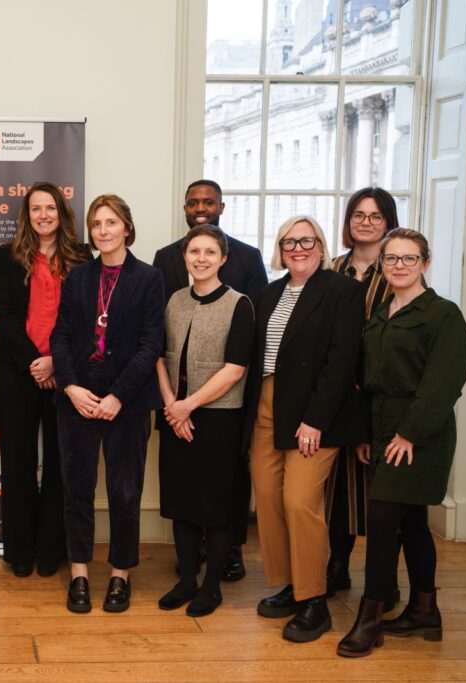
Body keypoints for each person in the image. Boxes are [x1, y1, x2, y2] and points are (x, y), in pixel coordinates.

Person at [337, 229, 466, 657]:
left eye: (408, 259)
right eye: (391, 259)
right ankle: (425, 609)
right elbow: (366, 381)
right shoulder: (379, 313)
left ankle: (370, 617)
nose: (398, 266)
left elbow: (444, 383)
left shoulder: (442, 315)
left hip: (419, 432)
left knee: (380, 520)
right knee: (411, 521)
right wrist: (365, 435)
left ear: (425, 264)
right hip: (380, 428)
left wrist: (410, 433)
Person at [245, 215, 364, 643]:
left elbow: (341, 359)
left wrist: (315, 420)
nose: (298, 248)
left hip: (314, 412)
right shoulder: (269, 292)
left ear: (320, 244)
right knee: (270, 499)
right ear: (279, 248)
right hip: (267, 405)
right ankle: (290, 586)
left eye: (306, 240)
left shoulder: (343, 292)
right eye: (289, 242)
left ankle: (315, 601)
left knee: (299, 501)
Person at [51, 194, 164, 614]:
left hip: (128, 400)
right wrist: (71, 388)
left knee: (124, 491)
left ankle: (120, 575)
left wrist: (119, 396)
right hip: (79, 394)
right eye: (96, 224)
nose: (103, 230)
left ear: (127, 228)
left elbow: (152, 343)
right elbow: (60, 337)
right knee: (77, 489)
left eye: (111, 222)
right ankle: (79, 573)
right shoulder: (79, 278)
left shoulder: (149, 278)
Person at [152, 179, 267, 582]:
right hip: (174, 402)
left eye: (208, 201)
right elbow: (159, 342)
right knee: (182, 492)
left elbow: (249, 342)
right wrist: (173, 404)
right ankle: (188, 565)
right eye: (193, 202)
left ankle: (226, 556)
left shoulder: (247, 266)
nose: (200, 207)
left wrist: (190, 403)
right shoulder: (166, 264)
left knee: (224, 488)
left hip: (222, 402)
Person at [0, 182, 91, 578]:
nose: (43, 215)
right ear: (27, 215)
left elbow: (83, 319)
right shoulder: (9, 255)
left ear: (61, 213)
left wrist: (55, 362)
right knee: (17, 461)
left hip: (66, 372)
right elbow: (5, 315)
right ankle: (20, 549)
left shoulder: (82, 258)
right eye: (36, 209)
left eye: (50, 208)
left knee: (59, 463)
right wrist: (36, 361)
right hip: (17, 370)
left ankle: (52, 548)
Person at [325, 186, 400, 602]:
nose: (365, 222)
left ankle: (384, 581)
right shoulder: (333, 268)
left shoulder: (396, 272)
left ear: (388, 221)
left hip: (375, 394)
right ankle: (337, 566)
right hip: (334, 395)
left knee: (378, 494)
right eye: (358, 215)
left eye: (374, 216)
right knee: (336, 489)